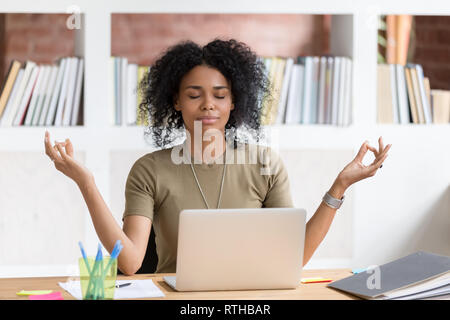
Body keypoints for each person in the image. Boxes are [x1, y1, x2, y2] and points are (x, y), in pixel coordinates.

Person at [44, 39, 391, 275]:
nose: (208, 104)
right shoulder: (149, 170)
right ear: (176, 102)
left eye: (219, 95)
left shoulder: (265, 165)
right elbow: (132, 263)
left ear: (234, 102)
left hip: (250, 302)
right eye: (194, 95)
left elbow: (293, 258)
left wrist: (340, 185)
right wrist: (86, 183)